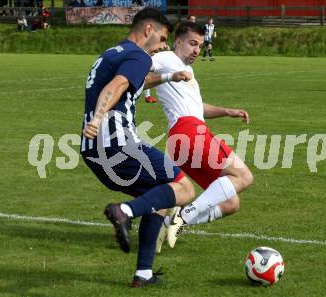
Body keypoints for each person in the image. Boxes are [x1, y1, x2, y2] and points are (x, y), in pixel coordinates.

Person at [80, 7, 196, 287]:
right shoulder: (139, 55)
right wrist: (97, 117)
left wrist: (170, 77)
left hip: (93, 151)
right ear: (148, 31)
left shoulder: (112, 53)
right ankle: (125, 212)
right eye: (163, 38)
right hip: (118, 144)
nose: (164, 46)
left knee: (159, 196)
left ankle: (143, 273)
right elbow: (119, 84)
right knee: (184, 188)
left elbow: (135, 83)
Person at [148, 22, 253, 251]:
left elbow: (197, 108)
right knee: (244, 177)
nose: (196, 50)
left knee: (230, 202)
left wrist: (227, 111)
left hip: (182, 139)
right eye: (192, 44)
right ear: (178, 42)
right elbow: (141, 66)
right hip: (189, 132)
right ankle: (182, 217)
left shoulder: (187, 71)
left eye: (200, 46)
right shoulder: (166, 58)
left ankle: (168, 223)